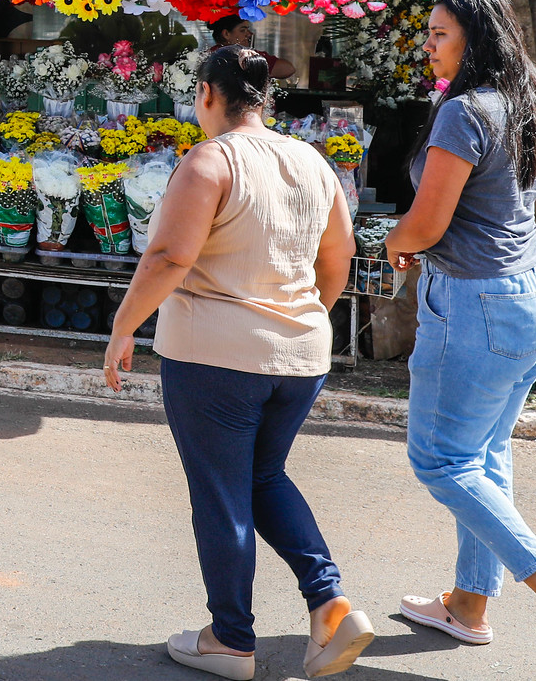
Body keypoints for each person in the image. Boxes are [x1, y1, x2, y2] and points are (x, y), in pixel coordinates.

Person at [104, 45, 371, 679]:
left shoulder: (209, 161)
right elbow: (340, 257)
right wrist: (296, 321)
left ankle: (231, 640)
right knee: (263, 478)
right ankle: (329, 603)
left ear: (206, 95)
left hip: (214, 356)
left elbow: (169, 256)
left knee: (222, 493)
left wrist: (123, 326)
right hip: (301, 354)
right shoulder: (311, 161)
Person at [384, 0, 536, 677]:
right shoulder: (524, 101)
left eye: (438, 32)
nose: (427, 42)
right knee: (482, 451)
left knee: (441, 460)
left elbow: (426, 223)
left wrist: (393, 241)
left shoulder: (460, 111)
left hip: (478, 302)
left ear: (472, 40)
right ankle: (469, 605)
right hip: (535, 294)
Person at [211, 14, 296, 79]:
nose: (249, 34)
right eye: (243, 30)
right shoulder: (212, 57)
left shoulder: (210, 55)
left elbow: (288, 69)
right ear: (226, 34)